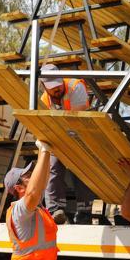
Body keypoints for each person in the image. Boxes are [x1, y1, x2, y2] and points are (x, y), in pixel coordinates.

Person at [38, 64, 100, 225]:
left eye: (58, 84)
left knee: (82, 172)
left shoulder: (75, 86)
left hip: (80, 135)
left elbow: (76, 118)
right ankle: (55, 210)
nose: (57, 88)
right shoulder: (44, 99)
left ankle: (84, 211)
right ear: (44, 85)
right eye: (52, 87)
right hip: (59, 137)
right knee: (53, 168)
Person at [0, 140, 58, 260]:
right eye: (28, 177)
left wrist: (45, 152)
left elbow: (42, 183)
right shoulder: (18, 210)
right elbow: (33, 192)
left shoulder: (36, 210)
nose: (33, 178)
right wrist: (45, 151)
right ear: (18, 188)